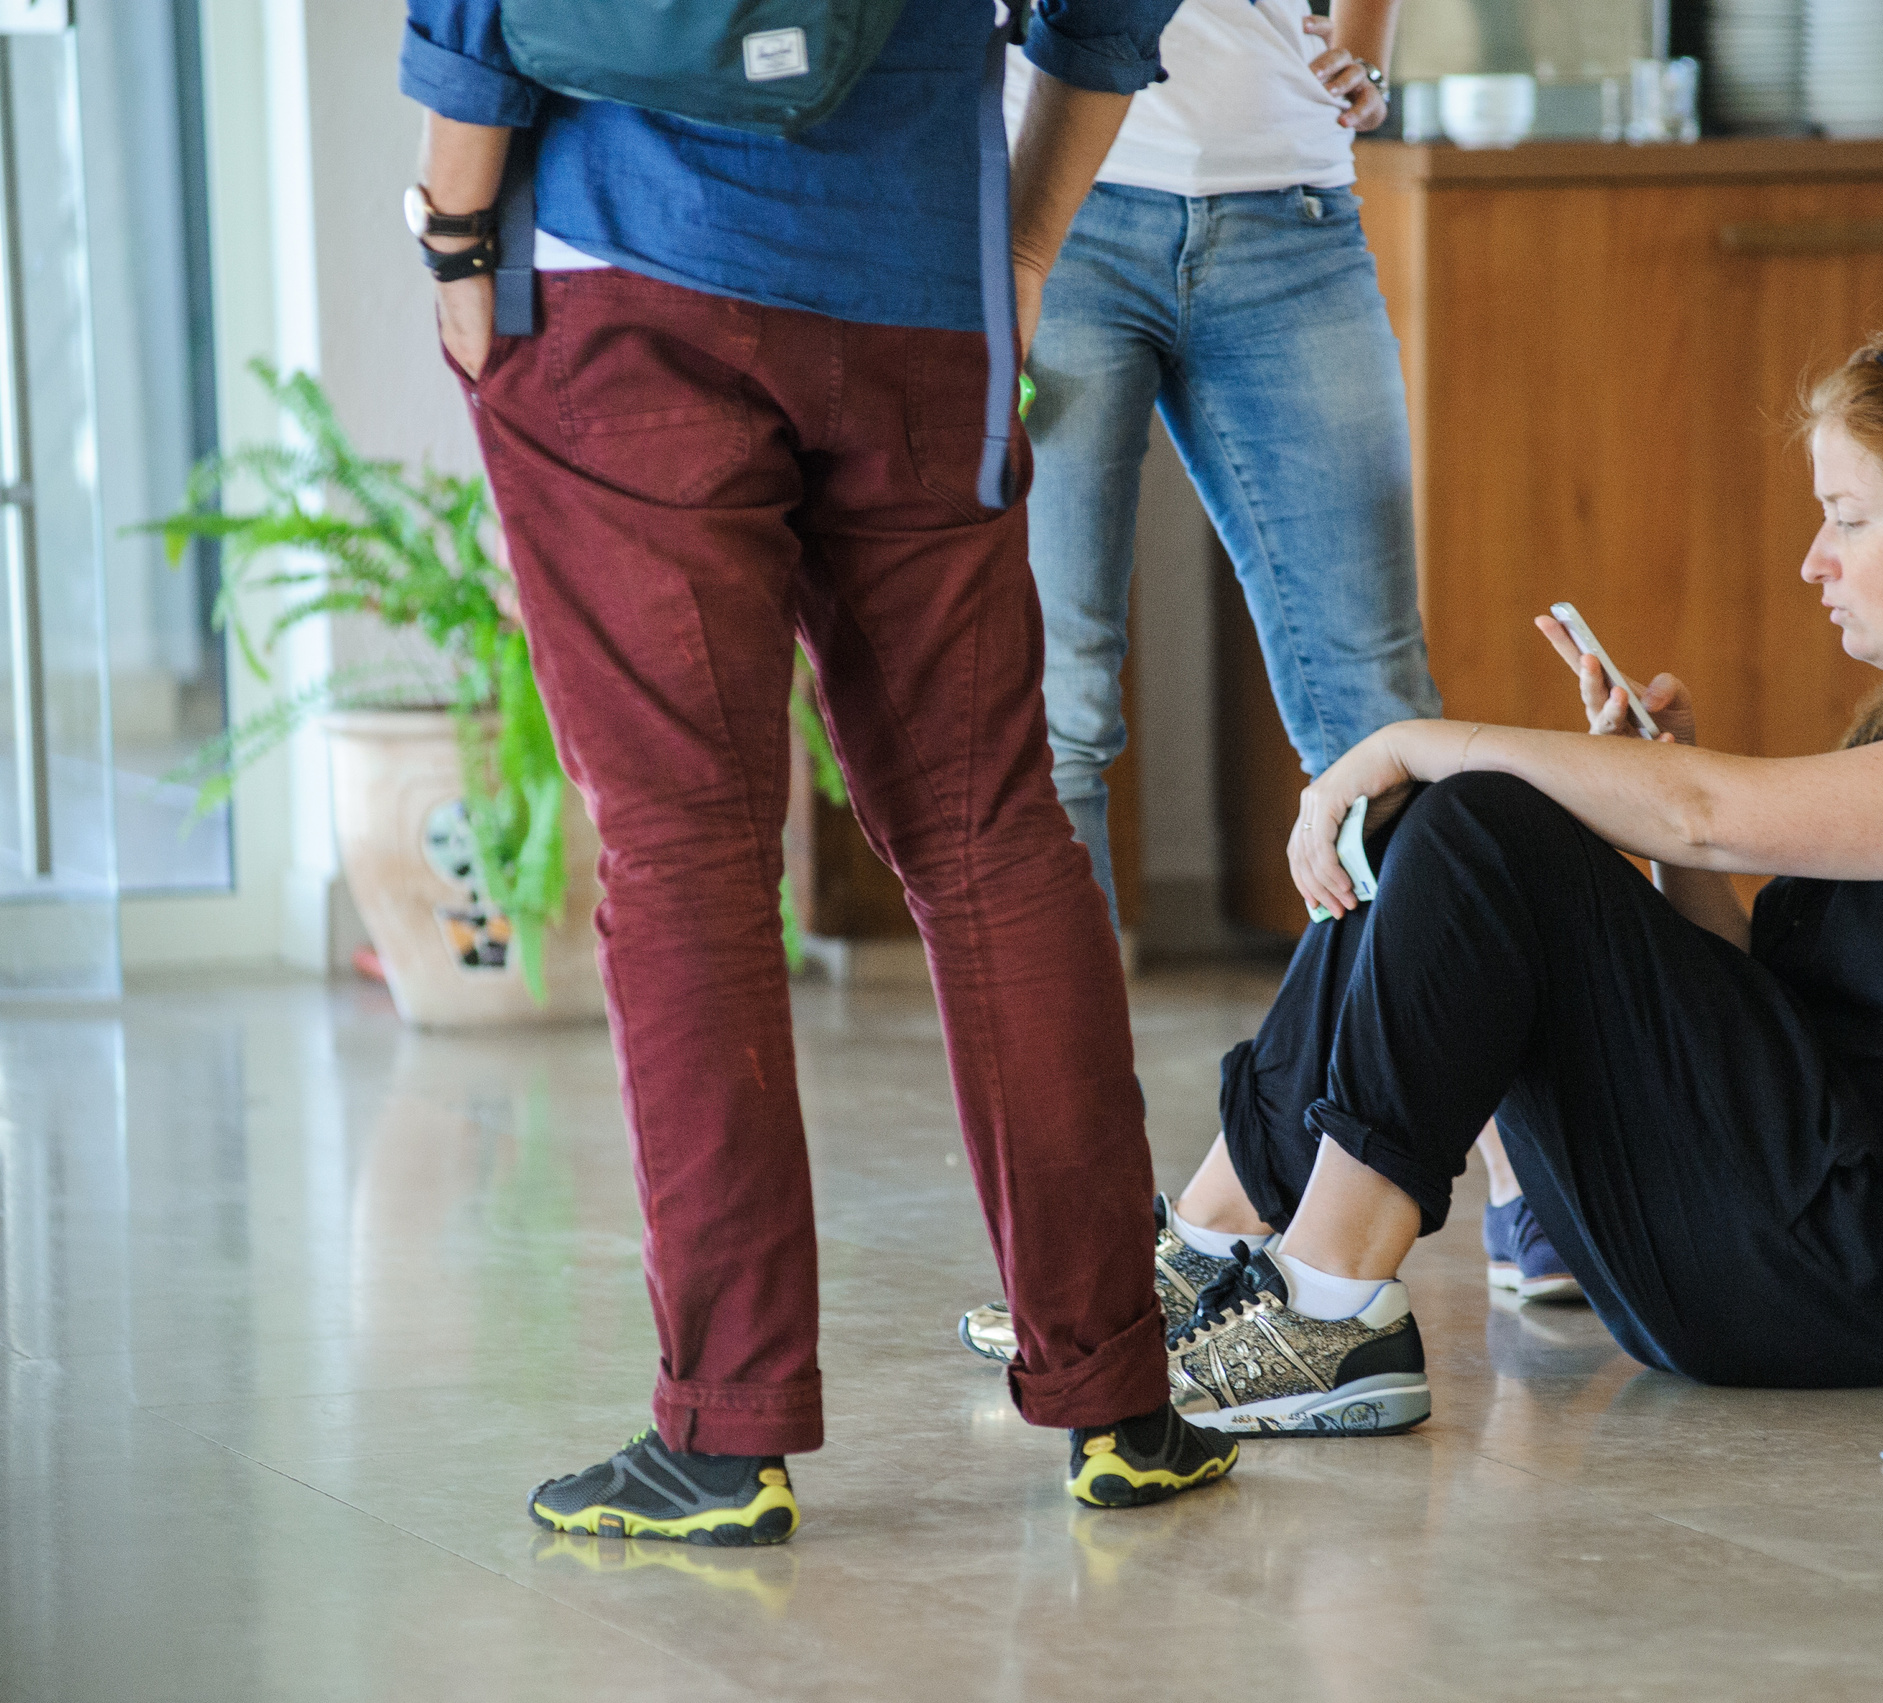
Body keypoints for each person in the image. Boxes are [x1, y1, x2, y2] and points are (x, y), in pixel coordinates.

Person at [397, 0, 1239, 1533]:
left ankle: (726, 1434)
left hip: (624, 277)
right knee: (992, 833)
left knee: (683, 847)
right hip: (919, 289)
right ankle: (1119, 1397)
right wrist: (1022, 249)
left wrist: (453, 233)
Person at [1154, 323, 1883, 1434]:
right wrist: (1644, 813)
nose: (1815, 558)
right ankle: (1212, 1244)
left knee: (1476, 820)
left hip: (1874, 1270)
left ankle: (1326, 1304)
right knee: (1441, 826)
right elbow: (1762, 989)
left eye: (1849, 518)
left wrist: (1415, 737)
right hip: (1788, 1237)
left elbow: (1710, 816)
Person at [952, 0, 1569, 1375]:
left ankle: (1525, 1158)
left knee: (1381, 716)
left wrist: (1363, 33)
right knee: (1056, 725)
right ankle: (1083, 1249)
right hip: (1058, 205)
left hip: (1289, 210)